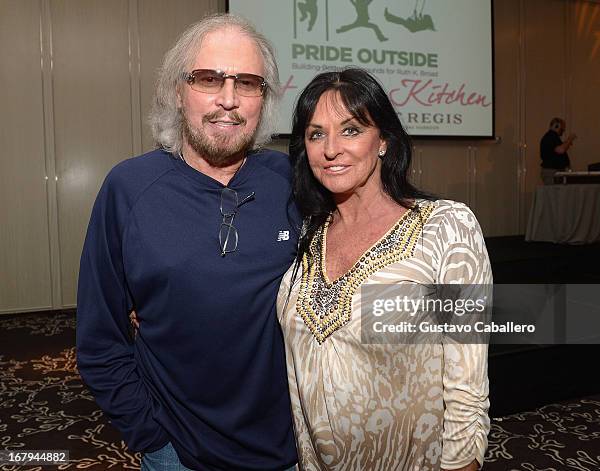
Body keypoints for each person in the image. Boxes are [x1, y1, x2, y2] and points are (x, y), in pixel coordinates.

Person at [76, 13, 299, 471]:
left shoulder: (293, 181)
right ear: (177, 92)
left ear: (264, 99)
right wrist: (152, 438)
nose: (229, 99)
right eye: (208, 78)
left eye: (249, 83)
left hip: (291, 448)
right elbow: (100, 339)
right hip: (178, 452)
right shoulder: (129, 188)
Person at [277, 68, 491, 470]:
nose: (331, 149)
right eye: (316, 133)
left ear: (384, 142)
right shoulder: (306, 234)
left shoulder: (446, 228)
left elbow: (467, 389)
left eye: (351, 130)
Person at [539, 117, 576, 184]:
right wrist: (569, 139)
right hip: (552, 172)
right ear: (556, 126)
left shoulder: (551, 137)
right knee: (554, 192)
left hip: (554, 172)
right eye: (562, 129)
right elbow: (561, 150)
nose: (562, 131)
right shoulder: (551, 136)